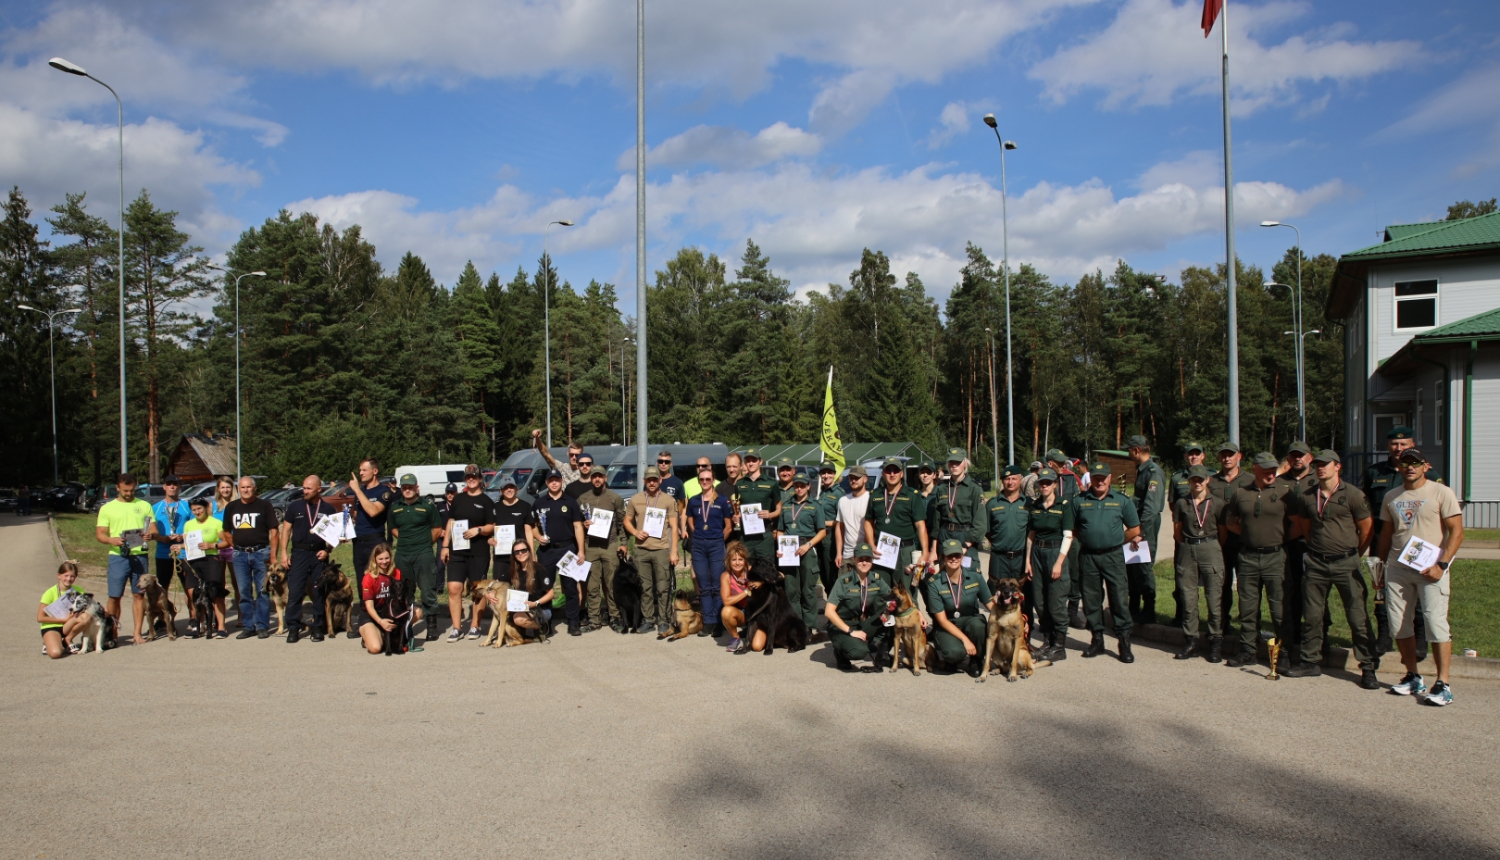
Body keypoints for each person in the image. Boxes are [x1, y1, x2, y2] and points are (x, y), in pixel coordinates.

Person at [1374, 447, 1464, 706]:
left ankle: (1443, 683)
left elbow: (1456, 532)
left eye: (1415, 462)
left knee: (1436, 624)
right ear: (1399, 466)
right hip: (1398, 568)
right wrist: (1379, 568)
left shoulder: (1441, 492)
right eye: (1405, 463)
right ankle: (1413, 675)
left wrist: (1442, 565)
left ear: (1425, 466)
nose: (1410, 467)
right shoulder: (1392, 496)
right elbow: (1387, 534)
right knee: (1398, 624)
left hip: (1430, 568)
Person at [1284, 450, 1380, 688]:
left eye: (1325, 464)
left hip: (1346, 562)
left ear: (1338, 467)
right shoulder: (1307, 496)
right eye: (1317, 464)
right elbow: (1306, 528)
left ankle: (1367, 667)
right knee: (1313, 615)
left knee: (1357, 616)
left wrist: (1353, 554)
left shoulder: (1354, 495)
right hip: (1316, 562)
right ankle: (1310, 661)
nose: (1320, 468)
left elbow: (1366, 530)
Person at [1361, 426, 1438, 657]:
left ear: (1413, 446)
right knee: (1381, 590)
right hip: (1382, 540)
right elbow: (1366, 509)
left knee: (1418, 591)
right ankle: (1385, 637)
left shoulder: (1429, 474)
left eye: (1404, 444)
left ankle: (1421, 639)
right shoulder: (1374, 473)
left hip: (1416, 543)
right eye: (1394, 444)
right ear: (1388, 446)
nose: (1399, 448)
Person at [1223, 453, 1295, 668]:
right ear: (1254, 468)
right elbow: (1231, 522)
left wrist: (1278, 539)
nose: (1271, 473)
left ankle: (1283, 653)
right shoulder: (1241, 493)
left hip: (1276, 557)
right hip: (1248, 557)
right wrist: (1249, 536)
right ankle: (1248, 650)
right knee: (1247, 607)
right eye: (1266, 469)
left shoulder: (1285, 493)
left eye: (1273, 469)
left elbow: (1299, 524)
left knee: (1279, 608)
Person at [1072, 461, 1143, 663]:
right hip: (1088, 556)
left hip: (1113, 556)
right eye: (1096, 477)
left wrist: (1115, 540)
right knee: (1091, 599)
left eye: (1103, 478)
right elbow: (1075, 530)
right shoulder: (1080, 501)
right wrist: (1091, 539)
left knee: (1119, 599)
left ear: (1110, 478)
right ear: (1091, 478)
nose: (1100, 481)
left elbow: (1135, 529)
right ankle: (1097, 640)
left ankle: (1124, 642)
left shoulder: (1122, 501)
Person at [1171, 465, 1226, 662]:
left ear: (1207, 480)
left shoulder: (1217, 503)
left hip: (1210, 547)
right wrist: (1188, 544)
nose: (1198, 482)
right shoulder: (1181, 503)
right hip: (1188, 548)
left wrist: (1210, 546)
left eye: (1201, 479)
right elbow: (1177, 530)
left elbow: (1223, 532)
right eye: (1194, 479)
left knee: (1213, 598)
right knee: (1188, 598)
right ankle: (1191, 640)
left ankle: (1215, 642)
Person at [94, 473, 157, 645]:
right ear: (117, 488)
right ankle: (113, 631)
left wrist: (150, 535)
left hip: (140, 555)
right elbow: (100, 534)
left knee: (139, 595)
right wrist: (111, 540)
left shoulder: (144, 505)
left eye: (132, 490)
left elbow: (154, 529)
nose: (129, 493)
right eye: (125, 491)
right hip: (118, 556)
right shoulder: (107, 508)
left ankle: (137, 633)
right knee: (115, 596)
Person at [277, 475, 338, 643]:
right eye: (304, 488)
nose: (305, 491)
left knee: (318, 591)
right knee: (295, 591)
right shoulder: (295, 506)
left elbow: (335, 535)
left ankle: (318, 627)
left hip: (318, 554)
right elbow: (286, 530)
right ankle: (293, 628)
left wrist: (327, 550)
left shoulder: (328, 509)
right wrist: (283, 553)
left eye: (309, 488)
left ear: (319, 489)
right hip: (299, 553)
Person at [440, 464, 495, 642]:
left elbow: (491, 526)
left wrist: (478, 530)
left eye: (475, 476)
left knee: (477, 590)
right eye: (468, 476)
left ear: (480, 479)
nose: (471, 479)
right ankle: (457, 628)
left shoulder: (486, 501)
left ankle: (475, 625)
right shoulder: (458, 499)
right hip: (457, 551)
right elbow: (451, 521)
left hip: (478, 552)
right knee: (454, 588)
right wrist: (445, 545)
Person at [387, 473, 445, 641]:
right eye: (404, 487)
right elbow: (393, 528)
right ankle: (408, 624)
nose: (407, 489)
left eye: (410, 486)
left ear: (416, 487)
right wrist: (407, 540)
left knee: (428, 591)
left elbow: (436, 528)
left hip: (423, 554)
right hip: (403, 554)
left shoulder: (427, 506)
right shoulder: (395, 507)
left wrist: (424, 543)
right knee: (405, 591)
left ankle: (432, 626)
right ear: (401, 488)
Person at [923, 539, 992, 677]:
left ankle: (976, 660)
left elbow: (991, 604)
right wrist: (965, 640)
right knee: (954, 653)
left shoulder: (975, 575)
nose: (954, 559)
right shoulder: (934, 583)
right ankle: (954, 658)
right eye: (949, 555)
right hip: (948, 625)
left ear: (962, 556)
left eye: (957, 555)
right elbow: (942, 621)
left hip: (970, 621)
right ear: (943, 557)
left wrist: (1018, 618)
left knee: (978, 625)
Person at [1025, 467, 1073, 661]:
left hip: (1055, 552)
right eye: (1041, 482)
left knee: (1056, 602)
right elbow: (1031, 535)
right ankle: (1047, 641)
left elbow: (1068, 535)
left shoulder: (1064, 505)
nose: (1044, 485)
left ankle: (1059, 646)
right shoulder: (1035, 505)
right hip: (1037, 552)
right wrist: (1028, 560)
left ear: (1055, 484)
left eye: (1048, 482)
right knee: (1040, 600)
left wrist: (1059, 563)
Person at [223, 476, 279, 640]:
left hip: (261, 553)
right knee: (244, 591)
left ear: (254, 489)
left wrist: (273, 556)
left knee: (262, 591)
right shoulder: (232, 507)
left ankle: (262, 626)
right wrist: (237, 546)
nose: (245, 490)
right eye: (242, 487)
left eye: (248, 487)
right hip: (240, 555)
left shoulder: (264, 506)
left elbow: (274, 532)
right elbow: (226, 531)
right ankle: (248, 626)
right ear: (238, 489)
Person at [531, 468, 586, 636]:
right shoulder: (539, 503)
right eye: (550, 480)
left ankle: (573, 623)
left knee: (570, 588)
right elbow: (532, 526)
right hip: (547, 551)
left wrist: (581, 550)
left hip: (567, 549)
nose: (554, 482)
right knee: (545, 588)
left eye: (557, 479)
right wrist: (538, 537)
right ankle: (545, 623)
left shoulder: (570, 502)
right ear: (547, 483)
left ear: (562, 481)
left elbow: (578, 527)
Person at [862, 457, 930, 591]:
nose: (892, 474)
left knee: (906, 592)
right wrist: (871, 544)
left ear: (901, 473)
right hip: (882, 551)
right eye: (888, 471)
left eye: (896, 470)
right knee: (881, 592)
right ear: (883, 474)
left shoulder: (912, 495)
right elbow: (868, 522)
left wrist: (925, 552)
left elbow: (920, 526)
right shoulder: (875, 495)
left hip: (904, 550)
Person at [824, 542, 894, 672]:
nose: (864, 562)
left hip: (863, 623)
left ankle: (882, 654)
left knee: (893, 610)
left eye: (868, 559)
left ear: (872, 561)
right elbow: (828, 612)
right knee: (858, 652)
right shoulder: (844, 582)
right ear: (854, 559)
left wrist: (918, 612)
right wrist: (851, 631)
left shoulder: (876, 579)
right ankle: (840, 652)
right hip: (842, 626)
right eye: (861, 559)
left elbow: (895, 598)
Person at [625, 470, 678, 635]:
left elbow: (675, 527)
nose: (652, 483)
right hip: (641, 550)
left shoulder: (668, 500)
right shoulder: (636, 499)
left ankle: (663, 620)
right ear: (644, 480)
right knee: (645, 588)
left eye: (655, 479)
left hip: (661, 549)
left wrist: (674, 551)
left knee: (663, 587)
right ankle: (648, 620)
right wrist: (635, 532)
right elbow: (627, 521)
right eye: (649, 480)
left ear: (660, 480)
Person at [347, 457, 395, 639]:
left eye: (364, 470)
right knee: (362, 582)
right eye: (360, 471)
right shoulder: (360, 493)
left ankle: (382, 618)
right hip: (359, 541)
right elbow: (357, 515)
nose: (361, 473)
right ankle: (364, 621)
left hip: (375, 541)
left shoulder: (384, 492)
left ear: (375, 471)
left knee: (378, 581)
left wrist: (358, 490)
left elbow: (374, 511)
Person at [1209, 442, 1254, 636]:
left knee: (1248, 586)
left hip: (1242, 539)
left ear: (1239, 456)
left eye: (1231, 455)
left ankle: (1251, 627)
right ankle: (1223, 624)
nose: (1227, 458)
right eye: (1223, 455)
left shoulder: (1251, 480)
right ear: (1219, 458)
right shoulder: (1211, 481)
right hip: (1219, 541)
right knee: (1222, 584)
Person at [776, 472, 827, 640]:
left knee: (808, 591)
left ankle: (810, 626)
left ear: (808, 486)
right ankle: (795, 624)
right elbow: (781, 530)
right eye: (796, 485)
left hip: (807, 548)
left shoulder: (815, 505)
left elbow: (822, 531)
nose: (799, 488)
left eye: (802, 485)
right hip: (789, 550)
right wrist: (780, 547)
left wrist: (809, 545)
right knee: (791, 590)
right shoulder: (786, 505)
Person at [1279, 440, 1317, 662]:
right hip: (1287, 546)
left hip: (1310, 544)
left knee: (1313, 593)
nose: (1297, 459)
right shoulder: (1280, 481)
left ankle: (1318, 638)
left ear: (1309, 457)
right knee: (1289, 591)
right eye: (1293, 456)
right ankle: (1292, 637)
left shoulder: (1317, 481)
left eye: (1301, 455)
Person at [687, 468, 733, 637]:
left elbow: (728, 526)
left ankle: (719, 623)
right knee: (704, 585)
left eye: (708, 479)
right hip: (699, 545)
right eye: (702, 479)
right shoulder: (693, 501)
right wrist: (700, 536)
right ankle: (708, 622)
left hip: (716, 545)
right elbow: (691, 523)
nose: (705, 482)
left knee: (717, 584)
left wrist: (718, 539)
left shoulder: (722, 501)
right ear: (699, 481)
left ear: (713, 480)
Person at [578, 468, 625, 632]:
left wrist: (624, 543)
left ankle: (614, 617)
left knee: (611, 584)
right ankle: (594, 619)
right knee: (592, 585)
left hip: (610, 545)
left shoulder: (615, 498)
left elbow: (621, 522)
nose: (597, 479)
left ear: (605, 478)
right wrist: (584, 526)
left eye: (600, 476)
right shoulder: (583, 499)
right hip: (590, 546)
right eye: (594, 476)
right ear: (591, 479)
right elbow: (577, 524)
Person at [1168, 441, 1208, 626]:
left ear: (1203, 456)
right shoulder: (1177, 479)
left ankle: (1216, 621)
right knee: (1182, 576)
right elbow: (1173, 505)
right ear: (1185, 457)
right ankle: (1181, 616)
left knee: (1211, 579)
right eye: (1190, 454)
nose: (1193, 456)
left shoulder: (1211, 476)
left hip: (1207, 537)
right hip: (1184, 536)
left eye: (1196, 453)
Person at [1127, 436, 1166, 626]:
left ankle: (1148, 610)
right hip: (1138, 525)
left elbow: (1151, 507)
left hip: (1146, 526)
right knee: (1133, 565)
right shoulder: (1142, 470)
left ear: (1136, 450)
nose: (1129, 454)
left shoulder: (1153, 472)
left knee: (1143, 566)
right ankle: (1133, 608)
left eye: (1129, 451)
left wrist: (1140, 532)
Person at [177, 497, 229, 637]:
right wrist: (179, 546)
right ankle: (198, 627)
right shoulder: (188, 524)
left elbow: (226, 542)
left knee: (215, 593)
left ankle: (221, 627)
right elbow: (187, 544)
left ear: (206, 508)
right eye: (194, 510)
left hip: (211, 559)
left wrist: (212, 545)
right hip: (193, 561)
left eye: (199, 509)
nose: (197, 512)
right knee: (195, 595)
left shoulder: (216, 523)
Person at [1046, 448, 1086, 629]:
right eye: (1060, 463)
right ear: (1050, 463)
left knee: (1074, 572)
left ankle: (1072, 611)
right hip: (1050, 534)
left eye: (1064, 462)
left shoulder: (1070, 479)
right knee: (1051, 573)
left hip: (1071, 532)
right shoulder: (1042, 481)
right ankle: (1051, 612)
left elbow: (1080, 502)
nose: (1064, 466)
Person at [149, 474, 192, 635]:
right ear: (164, 487)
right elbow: (151, 532)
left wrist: (182, 537)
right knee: (162, 588)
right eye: (169, 484)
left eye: (175, 484)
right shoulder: (156, 508)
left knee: (189, 587)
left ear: (179, 487)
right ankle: (162, 620)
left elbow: (194, 528)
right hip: (163, 552)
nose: (172, 487)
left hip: (183, 552)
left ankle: (193, 618)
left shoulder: (186, 506)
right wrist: (162, 538)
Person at [359, 543, 418, 655]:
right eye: (380, 559)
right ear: (375, 560)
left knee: (418, 612)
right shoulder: (369, 578)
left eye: (387, 558)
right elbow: (369, 607)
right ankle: (367, 634)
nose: (384, 561)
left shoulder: (396, 573)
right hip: (372, 614)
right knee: (375, 649)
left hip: (390, 612)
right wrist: (380, 621)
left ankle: (394, 635)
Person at [933, 448, 985, 570]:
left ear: (965, 464)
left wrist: (966, 545)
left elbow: (980, 523)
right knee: (945, 579)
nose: (954, 465)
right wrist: (933, 549)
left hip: (965, 538)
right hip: (945, 537)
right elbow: (937, 521)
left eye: (958, 462)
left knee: (967, 579)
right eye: (951, 462)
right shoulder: (942, 488)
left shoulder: (974, 489)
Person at [985, 465, 1029, 588]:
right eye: (1007, 479)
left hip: (1020, 558)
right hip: (999, 558)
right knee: (996, 592)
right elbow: (987, 530)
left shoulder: (1029, 503)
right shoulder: (992, 503)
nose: (1010, 482)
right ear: (1002, 481)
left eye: (1014, 479)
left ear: (1020, 480)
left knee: (1022, 595)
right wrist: (1000, 543)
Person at [734, 449, 781, 561]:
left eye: (754, 460)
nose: (750, 463)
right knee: (746, 567)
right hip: (746, 535)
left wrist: (769, 515)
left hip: (764, 535)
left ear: (760, 462)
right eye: (748, 461)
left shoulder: (771, 483)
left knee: (766, 568)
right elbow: (737, 507)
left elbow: (779, 508)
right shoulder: (739, 484)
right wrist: (737, 516)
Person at [505, 540, 556, 638]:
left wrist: (535, 603)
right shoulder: (513, 570)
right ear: (513, 555)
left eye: (523, 550)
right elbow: (499, 583)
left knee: (518, 619)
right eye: (517, 552)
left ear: (529, 551)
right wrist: (489, 593)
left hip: (540, 608)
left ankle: (540, 627)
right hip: (523, 608)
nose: (520, 553)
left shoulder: (539, 569)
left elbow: (551, 594)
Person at [40, 561, 88, 658]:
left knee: (87, 616)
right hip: (52, 626)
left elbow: (88, 606)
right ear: (59, 576)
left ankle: (67, 640)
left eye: (72, 576)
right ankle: (49, 642)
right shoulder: (50, 593)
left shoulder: (78, 590)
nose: (69, 579)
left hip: (67, 625)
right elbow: (40, 618)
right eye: (66, 575)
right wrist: (64, 620)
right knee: (55, 653)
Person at [815, 463, 847, 593]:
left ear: (834, 474)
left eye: (829, 473)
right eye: (823, 473)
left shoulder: (839, 493)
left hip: (832, 537)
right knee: (822, 570)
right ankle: (830, 602)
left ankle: (833, 604)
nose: (826, 475)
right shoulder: (822, 491)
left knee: (830, 572)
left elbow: (842, 521)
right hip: (821, 536)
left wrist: (821, 522)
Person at [834, 465, 871, 569]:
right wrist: (839, 553)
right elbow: (839, 527)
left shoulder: (870, 499)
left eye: (857, 478)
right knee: (845, 585)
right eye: (851, 478)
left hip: (865, 555)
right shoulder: (843, 500)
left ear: (865, 479)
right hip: (847, 555)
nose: (853, 480)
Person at [719, 541, 753, 652]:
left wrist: (760, 582)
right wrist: (746, 592)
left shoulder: (752, 570)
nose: (737, 563)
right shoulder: (726, 576)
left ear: (745, 561)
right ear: (729, 561)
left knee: (757, 646)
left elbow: (778, 575)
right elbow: (726, 601)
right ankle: (735, 638)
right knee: (726, 611)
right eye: (734, 560)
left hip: (757, 611)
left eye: (740, 560)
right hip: (742, 612)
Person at [433, 482, 456, 584]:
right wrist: (440, 530)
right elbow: (435, 521)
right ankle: (439, 585)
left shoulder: (460, 504)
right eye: (448, 493)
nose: (450, 495)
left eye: (452, 492)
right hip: (442, 538)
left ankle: (456, 583)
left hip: (456, 538)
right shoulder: (440, 505)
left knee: (455, 562)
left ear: (456, 493)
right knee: (440, 562)